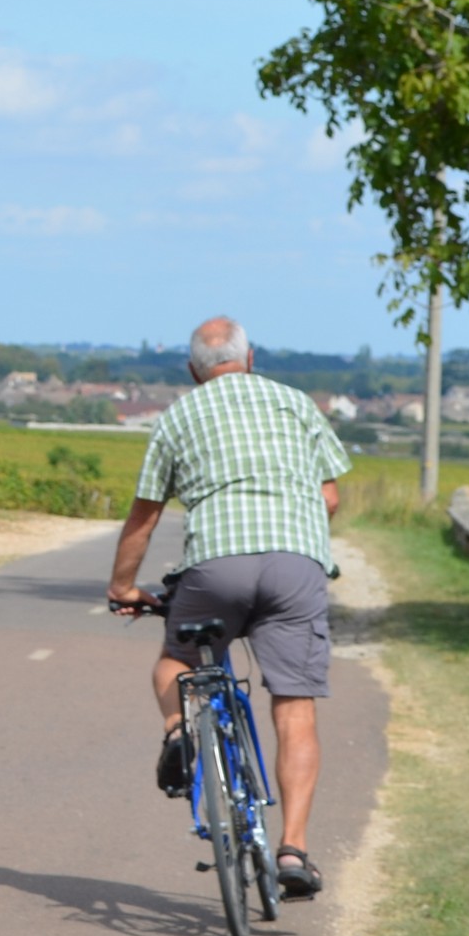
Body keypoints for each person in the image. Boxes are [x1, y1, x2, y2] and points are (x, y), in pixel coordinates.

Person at [106, 315, 347, 900]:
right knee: (294, 707)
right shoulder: (294, 403)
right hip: (296, 565)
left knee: (177, 660)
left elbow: (146, 514)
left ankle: (177, 733)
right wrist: (296, 541)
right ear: (251, 357)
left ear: (193, 371)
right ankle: (292, 849)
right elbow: (330, 496)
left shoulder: (178, 416)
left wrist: (123, 588)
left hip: (216, 565)